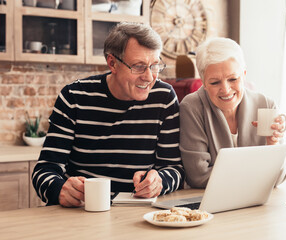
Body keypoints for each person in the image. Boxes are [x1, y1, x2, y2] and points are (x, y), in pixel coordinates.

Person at [32, 22, 184, 207]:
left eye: (154, 65)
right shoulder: (74, 96)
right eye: (138, 66)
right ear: (112, 63)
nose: (149, 77)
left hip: (138, 214)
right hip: (82, 210)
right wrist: (60, 190)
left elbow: (174, 169)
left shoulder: (164, 97)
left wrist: (160, 181)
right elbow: (44, 170)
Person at [179, 37, 286, 188]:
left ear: (244, 74)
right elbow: (198, 176)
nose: (225, 89)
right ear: (203, 82)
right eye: (215, 82)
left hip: (257, 203)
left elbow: (279, 176)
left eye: (233, 79)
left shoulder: (266, 105)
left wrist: (273, 144)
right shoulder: (192, 107)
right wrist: (260, 172)